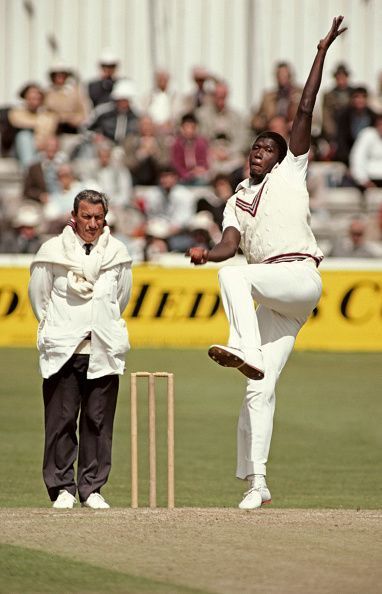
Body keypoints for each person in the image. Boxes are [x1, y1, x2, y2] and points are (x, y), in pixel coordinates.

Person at [187, 16, 346, 510]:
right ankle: (258, 482)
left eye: (267, 148)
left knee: (234, 278)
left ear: (281, 157)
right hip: (277, 300)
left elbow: (304, 106)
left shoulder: (291, 171)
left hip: (298, 276)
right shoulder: (236, 197)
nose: (259, 152)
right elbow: (227, 245)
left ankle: (243, 347)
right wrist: (202, 254)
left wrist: (320, 52)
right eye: (255, 147)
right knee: (258, 390)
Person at [28, 189, 132, 509]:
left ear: (105, 219)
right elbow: (39, 297)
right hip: (64, 348)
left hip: (102, 347)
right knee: (61, 420)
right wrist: (61, 328)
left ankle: (92, 488)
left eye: (98, 217)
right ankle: (62, 488)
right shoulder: (52, 250)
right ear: (74, 216)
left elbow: (121, 298)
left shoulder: (117, 252)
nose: (92, 223)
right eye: (86, 216)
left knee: (97, 421)